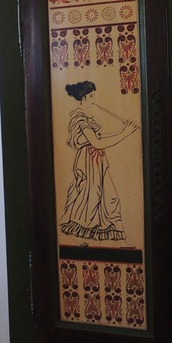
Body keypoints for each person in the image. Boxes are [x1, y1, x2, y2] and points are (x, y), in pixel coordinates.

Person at [59, 80, 140, 242]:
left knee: (109, 196)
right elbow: (97, 143)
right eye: (90, 96)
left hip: (96, 161)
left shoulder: (87, 118)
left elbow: (98, 138)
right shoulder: (80, 119)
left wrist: (124, 131)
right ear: (82, 98)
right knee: (92, 196)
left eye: (93, 95)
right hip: (88, 163)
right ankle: (85, 232)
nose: (93, 99)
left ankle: (108, 228)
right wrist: (124, 133)